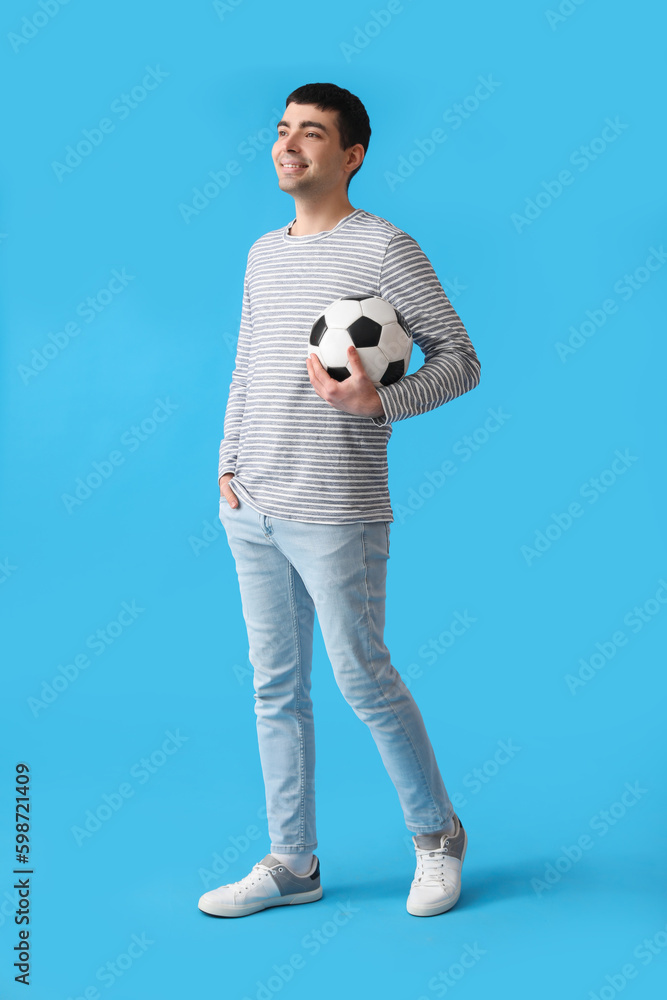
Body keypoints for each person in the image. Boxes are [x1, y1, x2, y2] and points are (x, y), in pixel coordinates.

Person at [198, 82, 481, 920]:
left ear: (351, 155)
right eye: (282, 130)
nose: (289, 145)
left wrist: (378, 402)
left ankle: (437, 837)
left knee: (363, 676)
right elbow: (248, 366)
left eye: (311, 134)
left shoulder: (386, 250)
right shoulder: (262, 253)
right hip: (252, 503)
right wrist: (227, 463)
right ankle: (292, 864)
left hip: (337, 508)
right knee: (273, 687)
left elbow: (460, 359)